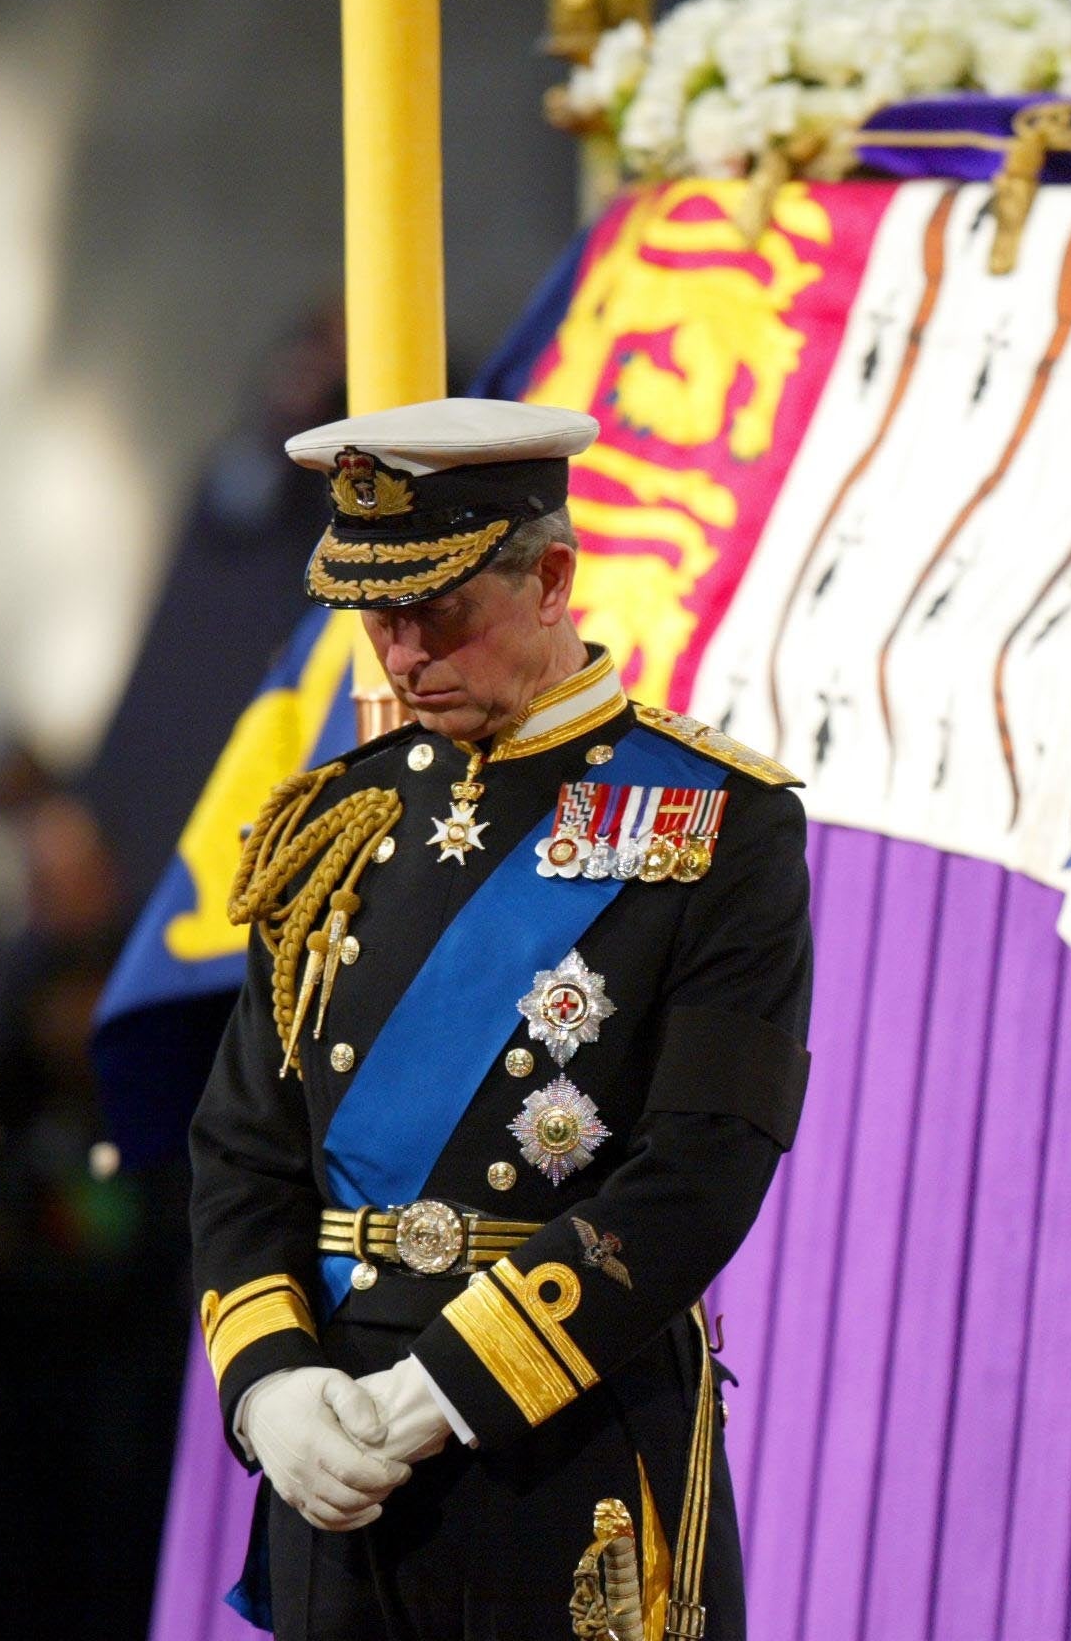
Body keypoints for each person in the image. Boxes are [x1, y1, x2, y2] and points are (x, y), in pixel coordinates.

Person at [188, 397, 812, 1640]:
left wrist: (450, 1386)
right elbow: (243, 1151)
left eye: (439, 608)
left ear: (553, 579)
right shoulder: (332, 824)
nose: (403, 653)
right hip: (339, 1439)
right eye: (379, 612)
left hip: (568, 1431)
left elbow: (703, 1164)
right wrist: (269, 1387)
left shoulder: (719, 822)